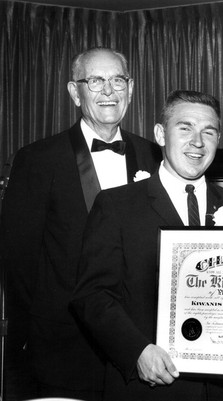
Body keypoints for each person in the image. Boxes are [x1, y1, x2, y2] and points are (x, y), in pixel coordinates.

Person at [70, 90, 223, 400]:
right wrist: (137, 351)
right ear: (160, 134)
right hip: (150, 387)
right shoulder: (117, 206)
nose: (197, 141)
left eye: (208, 131)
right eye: (184, 128)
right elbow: (91, 296)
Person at [0, 47, 162, 400]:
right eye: (95, 81)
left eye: (117, 80)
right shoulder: (37, 159)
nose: (108, 91)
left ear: (131, 90)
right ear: (75, 92)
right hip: (64, 351)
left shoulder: (155, 156)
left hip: (138, 351)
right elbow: (19, 261)